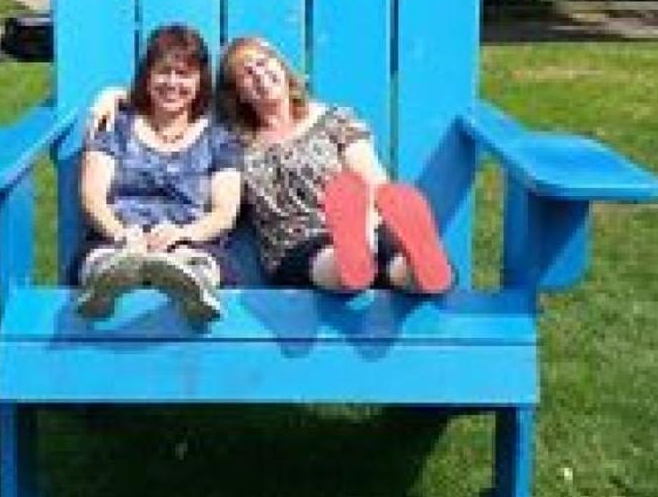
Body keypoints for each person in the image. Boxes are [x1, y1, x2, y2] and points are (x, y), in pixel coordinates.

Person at [88, 35, 452, 295]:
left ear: (282, 67)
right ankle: (352, 261)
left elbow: (376, 183)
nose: (260, 75)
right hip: (295, 241)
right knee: (336, 263)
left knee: (400, 264)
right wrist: (114, 94)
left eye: (264, 63)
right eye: (247, 73)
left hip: (368, 223)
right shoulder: (234, 138)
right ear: (238, 93)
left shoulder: (335, 121)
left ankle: (417, 267)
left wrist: (371, 228)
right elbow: (172, 97)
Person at [74, 23, 242, 322]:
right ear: (147, 76)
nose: (172, 82)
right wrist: (122, 234)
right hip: (118, 236)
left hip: (192, 239)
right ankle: (108, 282)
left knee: (197, 261)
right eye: (163, 71)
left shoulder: (220, 137)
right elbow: (92, 197)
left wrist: (183, 234)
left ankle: (192, 284)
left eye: (184, 74)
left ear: (200, 81)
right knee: (102, 258)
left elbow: (225, 212)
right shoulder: (116, 126)